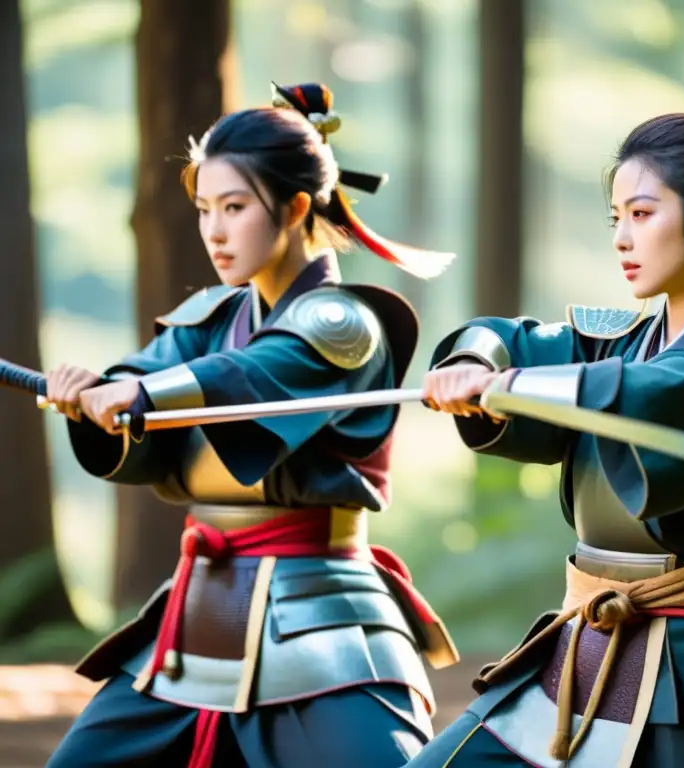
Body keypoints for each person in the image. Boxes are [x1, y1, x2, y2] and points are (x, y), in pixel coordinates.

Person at [404, 84, 684, 768]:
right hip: (586, 641)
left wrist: (512, 388)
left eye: (642, 214)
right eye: (616, 216)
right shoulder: (617, 343)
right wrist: (473, 360)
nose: (621, 238)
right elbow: (509, 338)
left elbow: (659, 397)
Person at [43, 81, 458, 767]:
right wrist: (99, 395)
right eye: (205, 209)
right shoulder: (208, 318)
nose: (214, 230)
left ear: (295, 207)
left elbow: (255, 377)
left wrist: (141, 395)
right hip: (198, 608)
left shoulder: (343, 322)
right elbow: (146, 378)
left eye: (234, 207)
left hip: (322, 614)